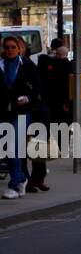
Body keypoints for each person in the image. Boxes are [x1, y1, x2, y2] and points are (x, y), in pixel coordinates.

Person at [0, 35, 39, 199]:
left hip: (22, 112)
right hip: (3, 112)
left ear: (19, 49)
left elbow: (38, 88)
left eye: (12, 47)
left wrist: (28, 98)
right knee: (7, 149)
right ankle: (21, 180)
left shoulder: (27, 65)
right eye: (7, 47)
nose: (9, 50)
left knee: (14, 147)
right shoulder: (0, 65)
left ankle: (15, 184)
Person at [33, 38, 72, 191]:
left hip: (54, 101)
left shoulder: (54, 63)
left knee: (58, 125)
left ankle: (37, 177)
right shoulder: (55, 63)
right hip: (54, 101)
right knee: (58, 126)